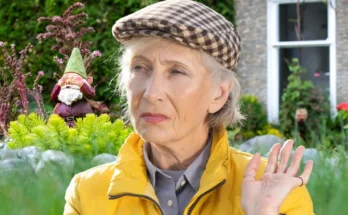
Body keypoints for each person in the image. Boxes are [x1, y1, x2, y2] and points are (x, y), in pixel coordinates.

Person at [63, 0, 314, 214]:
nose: (151, 93)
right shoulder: (87, 193)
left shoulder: (277, 191)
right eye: (140, 68)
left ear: (219, 93)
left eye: (177, 71)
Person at [51, 48, 95, 127]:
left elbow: (90, 94)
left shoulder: (82, 89)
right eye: (66, 77)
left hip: (82, 124)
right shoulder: (62, 93)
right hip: (63, 126)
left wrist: (81, 84)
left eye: (74, 78)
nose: (69, 81)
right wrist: (59, 84)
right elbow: (53, 98)